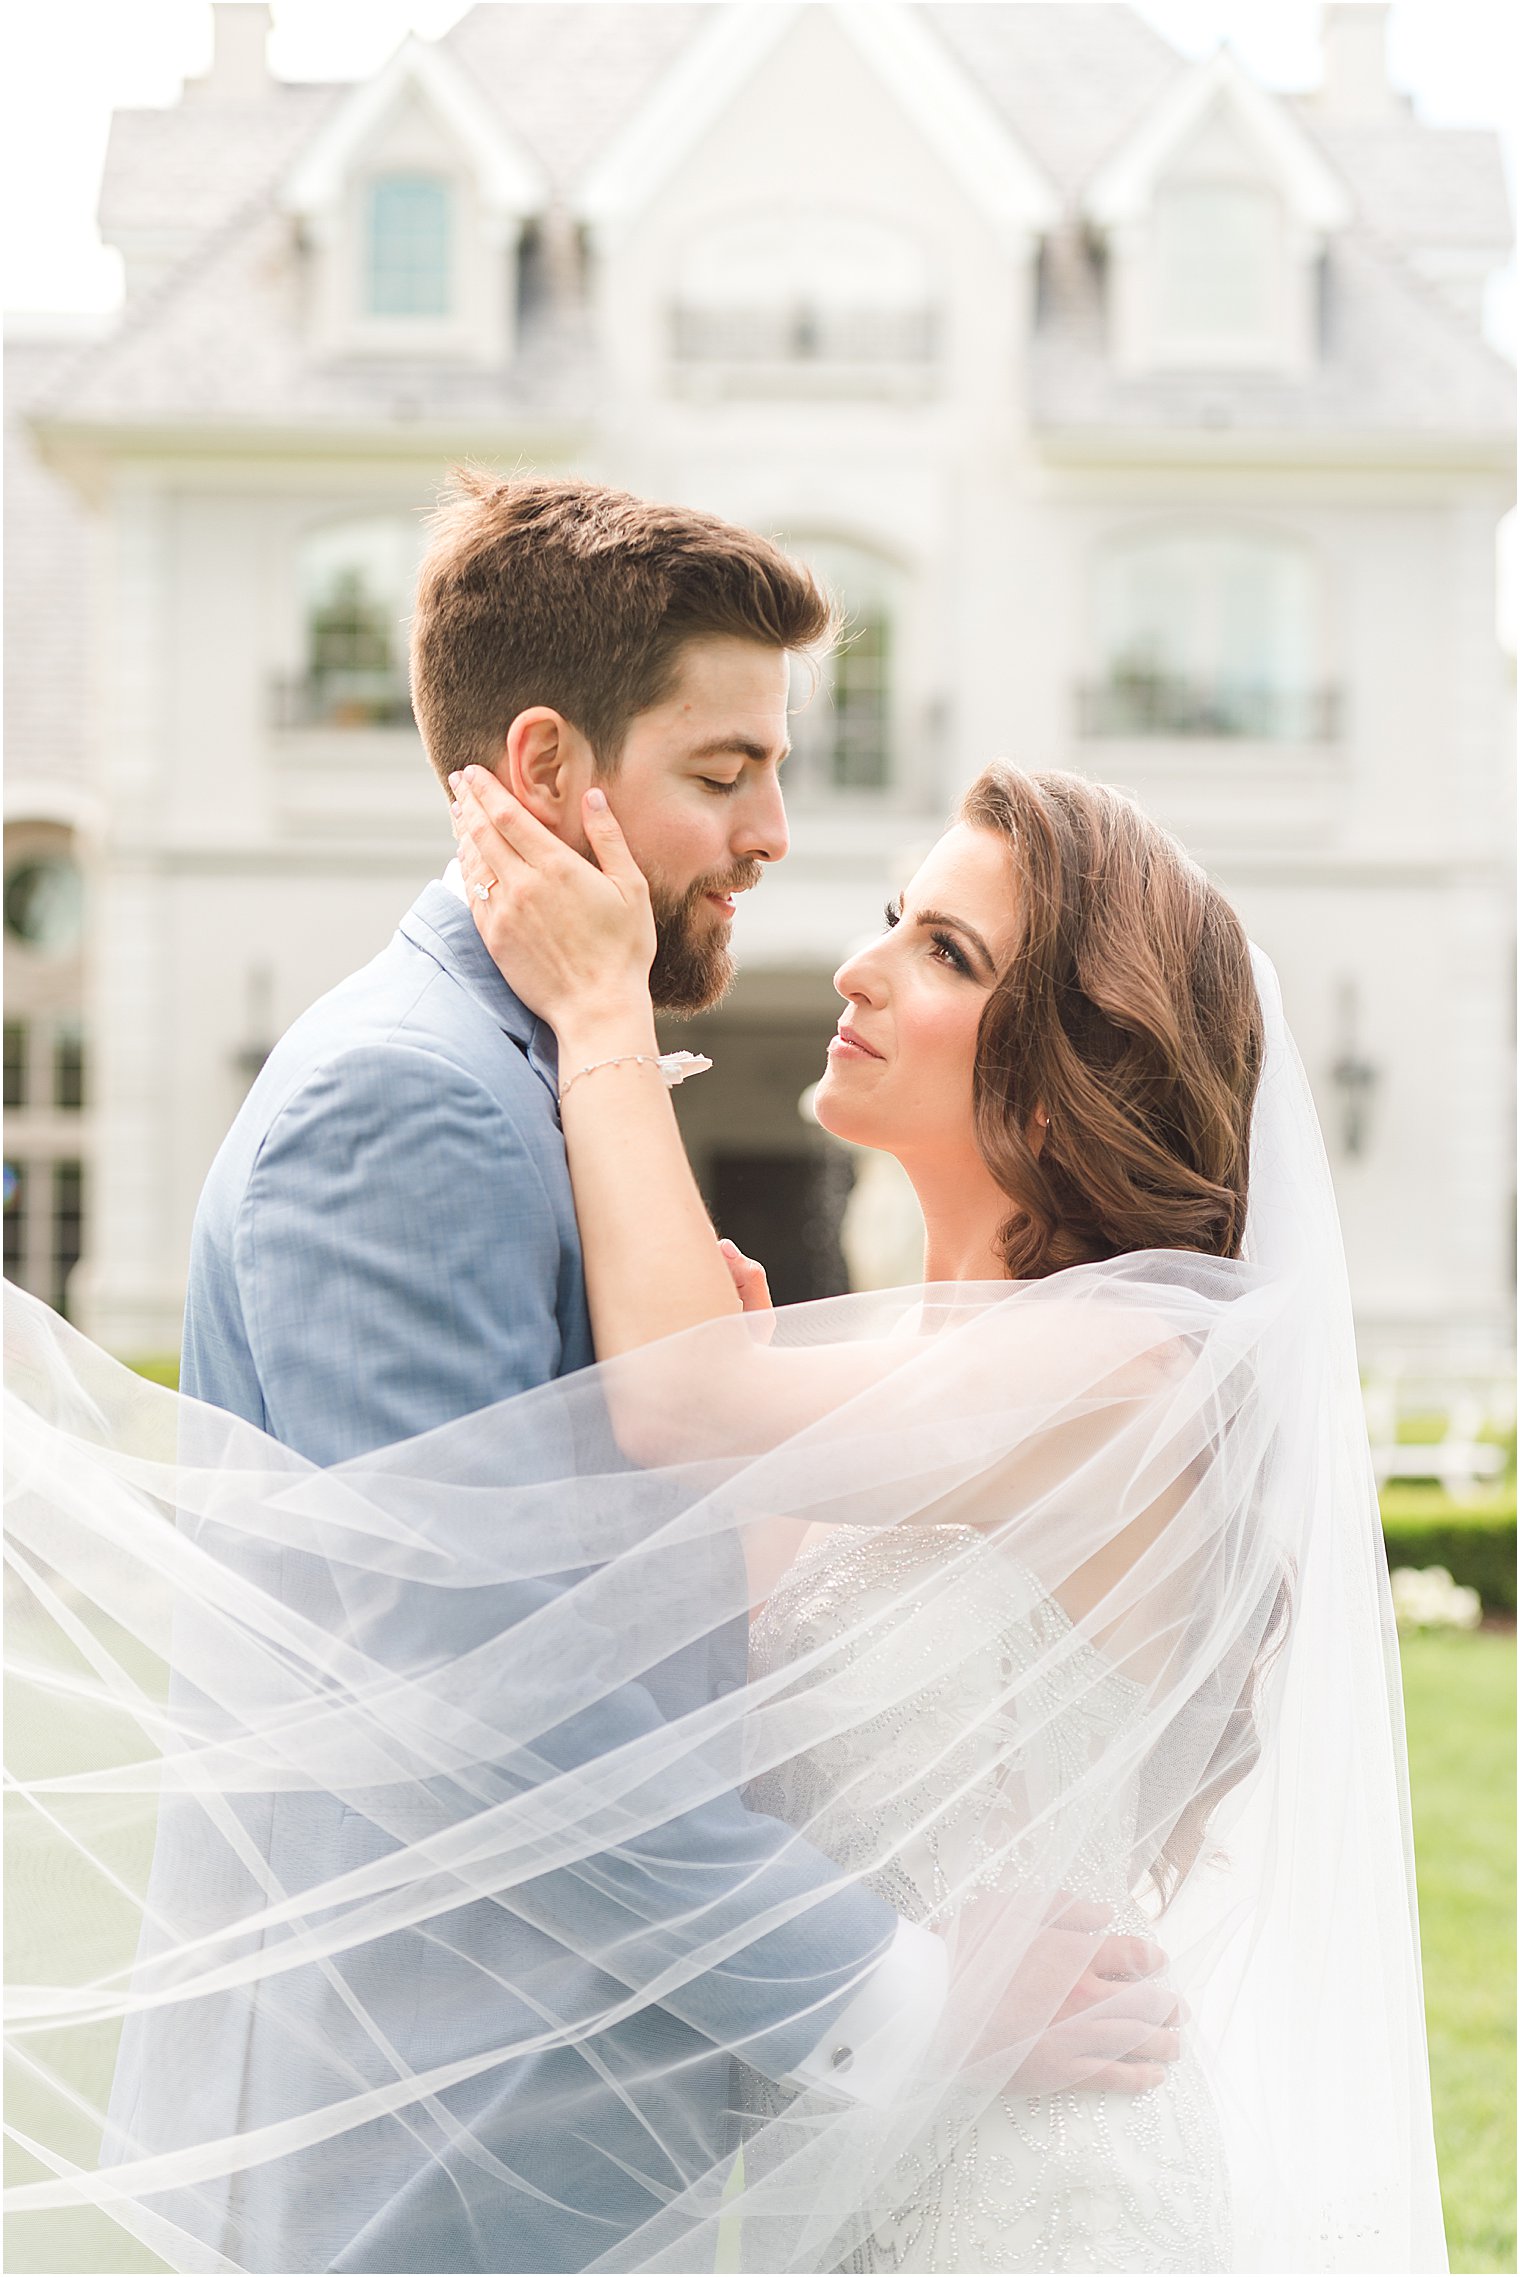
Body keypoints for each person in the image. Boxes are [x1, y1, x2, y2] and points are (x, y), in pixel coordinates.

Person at [39, 477, 1175, 2277]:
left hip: (588, 2150)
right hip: (422, 2158)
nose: (777, 832)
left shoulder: (553, 1089)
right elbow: (470, 1695)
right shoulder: (413, 1104)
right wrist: (910, 1996)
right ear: (553, 767)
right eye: (723, 772)